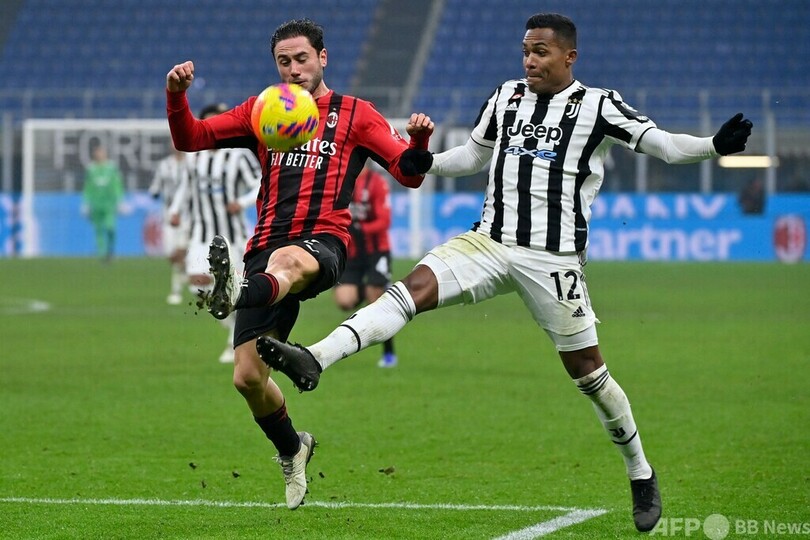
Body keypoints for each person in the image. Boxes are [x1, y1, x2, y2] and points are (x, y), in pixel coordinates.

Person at [257, 13, 753, 532]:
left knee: (589, 374)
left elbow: (663, 144)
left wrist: (713, 146)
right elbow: (473, 156)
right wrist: (426, 160)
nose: (529, 61)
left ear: (569, 57)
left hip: (553, 259)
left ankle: (640, 472)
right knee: (411, 289)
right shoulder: (506, 97)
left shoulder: (599, 106)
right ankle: (315, 358)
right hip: (488, 242)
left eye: (541, 52)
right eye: (525, 51)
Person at [164, 18, 433, 510]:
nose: (293, 69)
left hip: (323, 242)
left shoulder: (356, 114)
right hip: (265, 247)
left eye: (302, 59)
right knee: (247, 378)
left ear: (322, 58)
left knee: (287, 260)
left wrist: (417, 143)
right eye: (284, 61)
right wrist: (176, 96)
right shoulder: (262, 110)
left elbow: (408, 173)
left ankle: (234, 292)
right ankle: (293, 448)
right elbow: (192, 138)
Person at [169, 102, 262, 363]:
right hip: (202, 232)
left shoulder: (238, 155)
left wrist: (241, 202)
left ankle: (235, 339)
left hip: (233, 234)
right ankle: (232, 329)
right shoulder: (193, 157)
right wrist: (175, 210)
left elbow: (260, 182)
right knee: (198, 283)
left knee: (236, 287)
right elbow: (184, 188)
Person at [334, 164, 397, 368]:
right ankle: (375, 290)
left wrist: (360, 228)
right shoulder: (339, 180)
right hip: (352, 251)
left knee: (376, 299)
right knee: (345, 300)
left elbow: (384, 221)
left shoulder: (377, 183)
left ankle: (389, 353)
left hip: (376, 250)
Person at [148, 142, 191, 305]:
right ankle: (187, 271)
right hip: (169, 217)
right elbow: (156, 186)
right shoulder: (164, 165)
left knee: (179, 252)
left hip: (188, 216)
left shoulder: (191, 163)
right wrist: (153, 192)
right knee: (170, 254)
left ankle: (176, 290)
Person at [81, 144, 124, 262]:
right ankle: (101, 254)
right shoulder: (91, 169)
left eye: (101, 153)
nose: (99, 155)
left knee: (110, 228)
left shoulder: (111, 168)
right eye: (98, 153)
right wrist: (85, 203)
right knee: (98, 230)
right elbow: (88, 187)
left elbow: (117, 185)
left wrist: (120, 201)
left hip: (109, 204)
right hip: (96, 205)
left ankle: (111, 250)